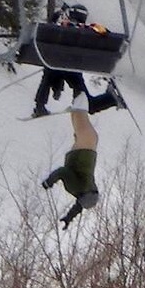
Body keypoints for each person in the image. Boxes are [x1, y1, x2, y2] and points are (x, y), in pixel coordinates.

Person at [32, 3, 122, 118]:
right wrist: (94, 27)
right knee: (87, 103)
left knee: (49, 72)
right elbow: (105, 32)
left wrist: (57, 15)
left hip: (55, 65)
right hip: (74, 70)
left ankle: (40, 105)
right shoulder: (89, 30)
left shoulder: (61, 28)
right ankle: (109, 99)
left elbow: (48, 28)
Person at [41, 93, 100, 229]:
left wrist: (48, 182)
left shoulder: (76, 188)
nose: (93, 188)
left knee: (86, 128)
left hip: (82, 152)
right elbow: (79, 206)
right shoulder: (85, 190)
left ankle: (79, 94)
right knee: (83, 126)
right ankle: (78, 102)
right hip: (85, 151)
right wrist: (69, 218)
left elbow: (62, 171)